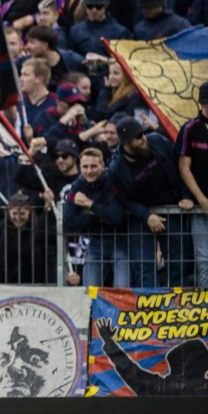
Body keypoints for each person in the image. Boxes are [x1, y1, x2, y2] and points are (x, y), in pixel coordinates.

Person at [109, 116, 194, 287]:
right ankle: (151, 310)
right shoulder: (116, 168)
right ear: (126, 143)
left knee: (178, 265)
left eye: (143, 133)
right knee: (145, 269)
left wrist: (186, 195)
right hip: (139, 216)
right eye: (138, 137)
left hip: (171, 209)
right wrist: (146, 215)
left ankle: (178, 309)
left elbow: (181, 168)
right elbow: (123, 200)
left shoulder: (157, 141)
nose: (143, 138)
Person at [63, 148, 127, 288]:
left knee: (123, 291)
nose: (89, 171)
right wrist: (100, 217)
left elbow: (116, 217)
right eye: (85, 167)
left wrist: (89, 204)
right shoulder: (77, 186)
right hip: (95, 243)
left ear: (102, 165)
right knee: (89, 293)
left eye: (93, 166)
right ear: (80, 167)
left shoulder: (112, 181)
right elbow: (68, 221)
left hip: (121, 242)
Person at [177, 82, 208, 288]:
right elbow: (184, 167)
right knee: (204, 259)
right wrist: (202, 199)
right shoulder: (189, 129)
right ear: (203, 103)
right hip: (200, 209)